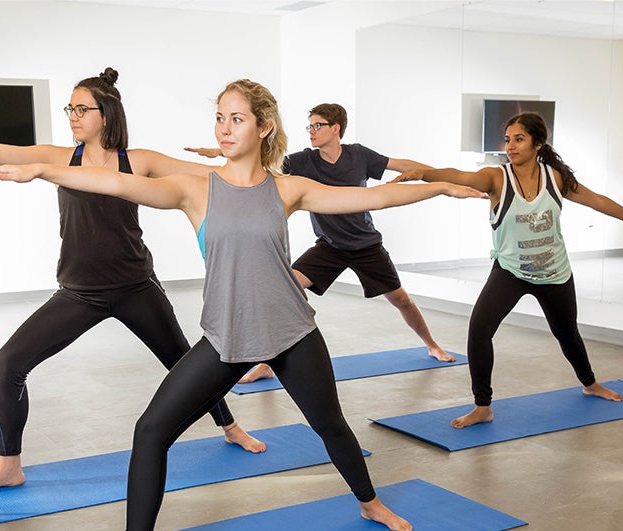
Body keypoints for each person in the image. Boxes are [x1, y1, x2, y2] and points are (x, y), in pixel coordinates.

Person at [0, 78, 487, 531]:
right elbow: (116, 184)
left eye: (236, 118)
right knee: (150, 432)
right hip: (226, 340)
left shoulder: (287, 189)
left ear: (264, 126)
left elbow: (371, 195)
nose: (224, 128)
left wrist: (437, 187)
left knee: (330, 427)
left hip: (291, 333)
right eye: (219, 117)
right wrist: (41, 169)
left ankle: (370, 502)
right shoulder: (194, 187)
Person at [0, 67, 266, 498]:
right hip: (79, 293)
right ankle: (7, 466)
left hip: (136, 288)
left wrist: (230, 155)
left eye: (81, 108)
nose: (72, 115)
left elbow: (217, 177)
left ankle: (231, 426)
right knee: (8, 365)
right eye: (69, 107)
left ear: (105, 114)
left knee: (183, 365)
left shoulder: (138, 160)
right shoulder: (59, 157)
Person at [393, 112, 623, 429]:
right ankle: (483, 406)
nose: (510, 146)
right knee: (479, 331)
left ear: (538, 143)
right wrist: (423, 172)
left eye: (519, 139)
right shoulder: (496, 178)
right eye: (507, 139)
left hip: (555, 272)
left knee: (566, 332)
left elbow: (596, 200)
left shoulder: (555, 178)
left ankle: (590, 383)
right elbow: (459, 175)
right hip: (510, 271)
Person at [187, 102, 455, 385]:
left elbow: (399, 165)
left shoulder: (359, 155)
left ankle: (432, 344)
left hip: (366, 245)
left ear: (335, 128)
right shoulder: (304, 161)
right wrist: (223, 151)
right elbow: (262, 162)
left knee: (401, 300)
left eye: (317, 125)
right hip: (329, 247)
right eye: (309, 126)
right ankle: (267, 361)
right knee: (281, 290)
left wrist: (437, 177)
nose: (312, 132)